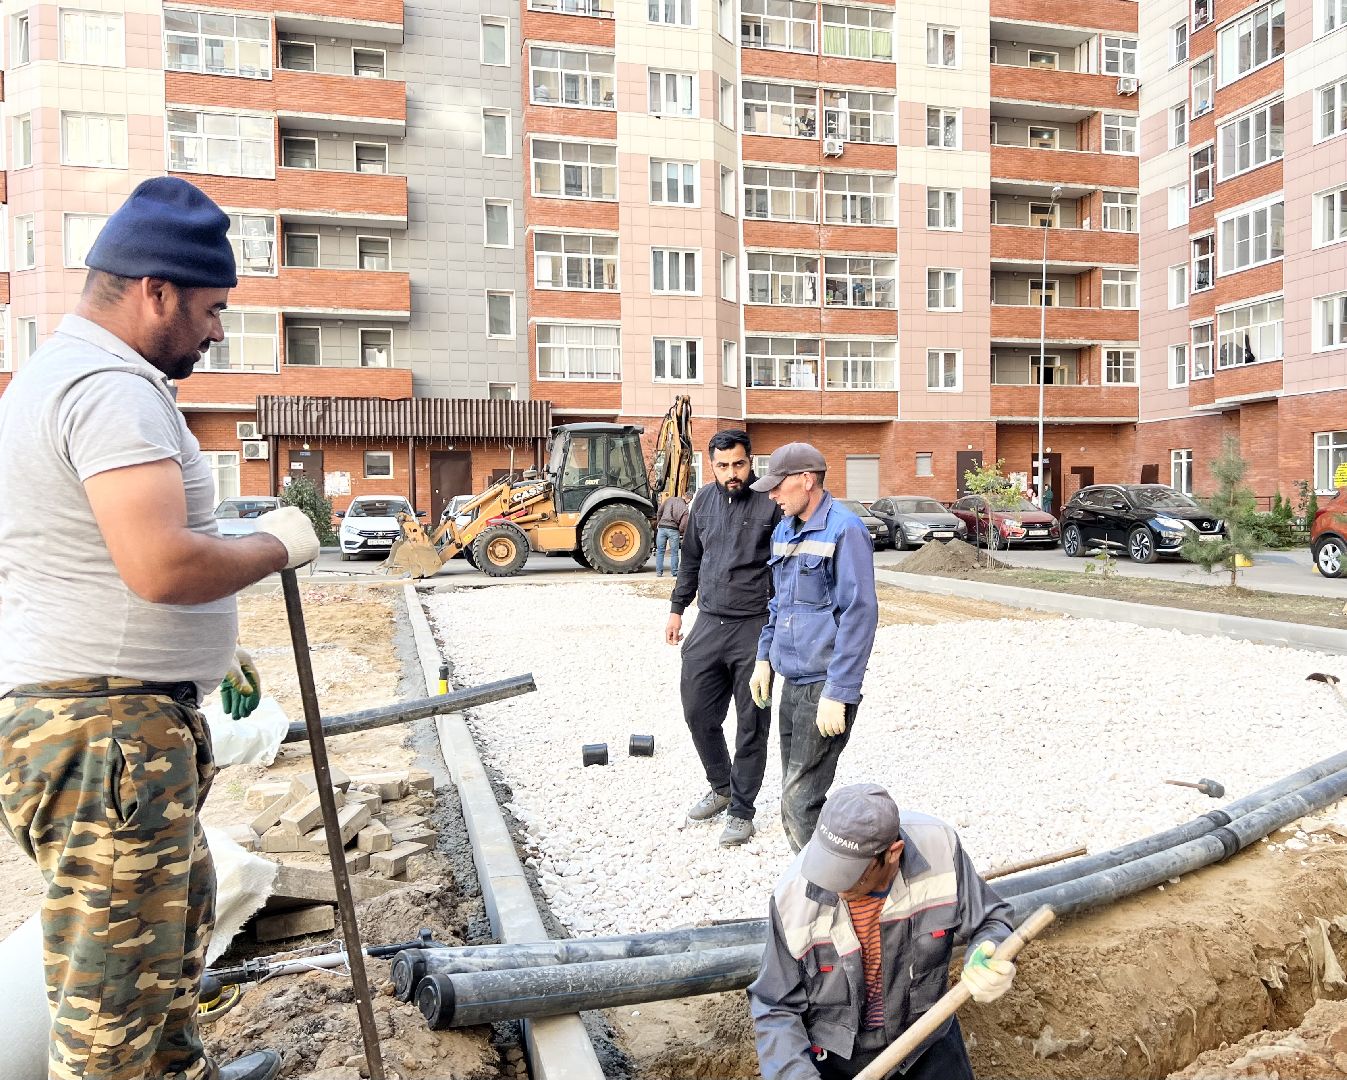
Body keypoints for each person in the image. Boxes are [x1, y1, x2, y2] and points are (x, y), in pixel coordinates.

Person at [0, 177, 320, 1080]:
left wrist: (207, 643)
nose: (217, 330)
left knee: (167, 951)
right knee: (113, 1013)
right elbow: (161, 564)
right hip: (107, 739)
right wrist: (272, 547)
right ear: (156, 292)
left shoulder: (59, 377)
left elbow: (90, 558)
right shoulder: (112, 390)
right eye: (213, 308)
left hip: (111, 721)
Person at [748, 784, 1017, 1080]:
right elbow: (775, 1004)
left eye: (848, 877)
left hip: (926, 1039)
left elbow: (990, 918)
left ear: (892, 854)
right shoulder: (792, 898)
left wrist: (988, 951)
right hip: (839, 1057)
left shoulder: (940, 850)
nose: (834, 887)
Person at [749, 444, 878, 852]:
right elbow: (779, 603)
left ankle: (824, 893)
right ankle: (819, 878)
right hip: (793, 682)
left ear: (807, 480)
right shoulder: (785, 529)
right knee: (795, 790)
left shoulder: (845, 529)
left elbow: (859, 615)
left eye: (778, 487)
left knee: (799, 800)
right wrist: (764, 657)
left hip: (823, 685)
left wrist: (838, 692)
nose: (772, 496)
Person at [666, 431, 781, 846]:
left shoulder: (772, 504)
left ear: (751, 462)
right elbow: (691, 558)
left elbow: (784, 569)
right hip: (708, 623)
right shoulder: (703, 503)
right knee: (697, 711)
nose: (731, 473)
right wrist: (678, 609)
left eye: (739, 464)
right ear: (710, 465)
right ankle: (721, 786)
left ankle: (742, 809)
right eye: (722, 465)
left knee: (752, 721)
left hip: (754, 626)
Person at [654, 492, 689, 577]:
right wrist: (680, 531)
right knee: (674, 553)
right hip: (673, 530)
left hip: (662, 528)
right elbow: (684, 523)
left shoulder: (668, 500)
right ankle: (674, 572)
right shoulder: (685, 508)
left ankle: (659, 572)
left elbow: (659, 512)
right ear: (688, 499)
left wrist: (659, 522)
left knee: (660, 551)